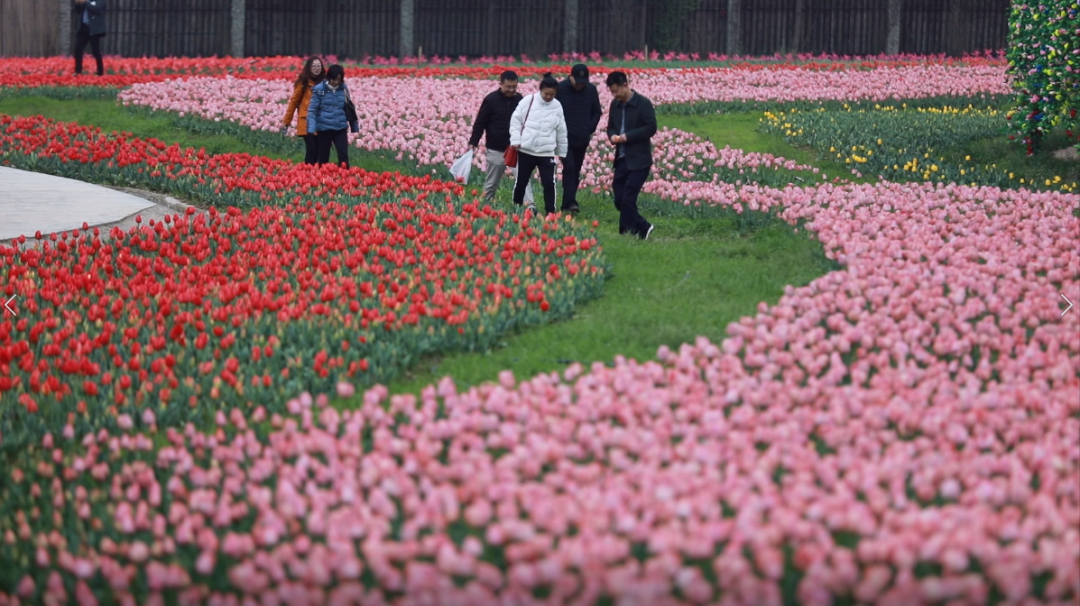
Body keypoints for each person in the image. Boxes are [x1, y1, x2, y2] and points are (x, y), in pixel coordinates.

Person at [468, 70, 533, 206]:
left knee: (523, 178)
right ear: (501, 84)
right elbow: (480, 122)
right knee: (492, 182)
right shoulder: (491, 100)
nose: (511, 90)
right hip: (496, 147)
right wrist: (473, 142)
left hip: (515, 148)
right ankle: (483, 206)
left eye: (514, 87)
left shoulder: (520, 100)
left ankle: (529, 206)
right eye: (508, 87)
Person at [605, 71, 656, 240]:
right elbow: (611, 126)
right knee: (619, 199)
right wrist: (612, 136)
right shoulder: (615, 105)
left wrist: (628, 136)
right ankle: (643, 226)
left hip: (639, 160)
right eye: (611, 92)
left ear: (625, 85)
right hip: (621, 159)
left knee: (628, 198)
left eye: (616, 91)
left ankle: (626, 232)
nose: (614, 95)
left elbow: (651, 128)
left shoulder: (643, 104)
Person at [509, 73, 568, 215]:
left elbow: (561, 129)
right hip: (526, 150)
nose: (548, 97)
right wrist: (515, 140)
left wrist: (562, 151)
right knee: (521, 181)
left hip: (546, 151)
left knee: (549, 183)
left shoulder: (557, 106)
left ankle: (550, 212)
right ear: (540, 89)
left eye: (552, 94)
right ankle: (516, 208)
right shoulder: (528, 101)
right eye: (546, 93)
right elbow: (516, 120)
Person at [555, 63, 602, 214]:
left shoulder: (590, 90)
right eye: (578, 82)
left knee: (575, 171)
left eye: (583, 83)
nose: (581, 85)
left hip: (582, 136)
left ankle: (567, 203)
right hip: (564, 137)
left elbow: (597, 111)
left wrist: (590, 127)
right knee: (569, 167)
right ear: (571, 77)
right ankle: (571, 202)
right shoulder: (560, 89)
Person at [307, 64, 359, 169]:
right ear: (328, 77)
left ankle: (345, 179)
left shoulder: (343, 89)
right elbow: (312, 110)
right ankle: (323, 181)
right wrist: (311, 128)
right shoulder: (319, 89)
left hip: (340, 127)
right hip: (324, 129)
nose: (336, 82)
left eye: (338, 80)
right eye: (334, 79)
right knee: (323, 158)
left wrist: (354, 126)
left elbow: (349, 107)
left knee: (343, 155)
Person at [284, 56, 325, 165]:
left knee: (319, 151)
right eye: (314, 66)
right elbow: (293, 102)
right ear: (309, 68)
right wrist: (287, 121)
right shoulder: (303, 83)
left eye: (318, 66)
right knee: (311, 149)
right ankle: (306, 173)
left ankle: (313, 175)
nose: (316, 68)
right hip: (306, 120)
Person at [72, 0, 106, 77]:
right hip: (84, 27)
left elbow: (98, 9)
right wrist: (77, 4)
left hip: (94, 29)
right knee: (78, 49)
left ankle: (100, 72)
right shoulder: (86, 2)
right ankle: (78, 71)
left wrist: (85, 2)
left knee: (95, 51)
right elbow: (79, 12)